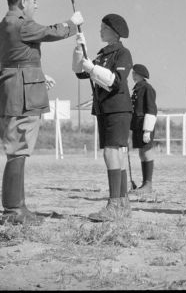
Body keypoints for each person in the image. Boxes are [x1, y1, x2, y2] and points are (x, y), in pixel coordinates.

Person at [0, 0, 83, 224]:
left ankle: (16, 208)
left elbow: (7, 62)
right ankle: (14, 211)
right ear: (22, 2)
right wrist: (72, 24)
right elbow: (50, 32)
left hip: (5, 93)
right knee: (18, 151)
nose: (36, 4)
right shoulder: (22, 24)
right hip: (23, 96)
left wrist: (40, 75)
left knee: (15, 152)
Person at [73, 14, 133, 221]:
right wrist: (79, 49)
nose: (100, 31)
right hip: (105, 108)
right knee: (115, 153)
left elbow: (115, 81)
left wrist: (91, 67)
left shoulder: (123, 53)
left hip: (117, 107)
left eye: (103, 28)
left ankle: (115, 203)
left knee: (111, 152)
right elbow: (79, 72)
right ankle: (122, 202)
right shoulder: (102, 55)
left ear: (114, 32)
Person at [129, 64, 158, 194]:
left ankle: (148, 184)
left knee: (146, 153)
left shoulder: (147, 88)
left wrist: (148, 130)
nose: (132, 75)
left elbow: (151, 109)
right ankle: (144, 183)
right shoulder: (137, 89)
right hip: (138, 125)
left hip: (145, 125)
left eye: (134, 73)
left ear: (140, 74)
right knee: (142, 154)